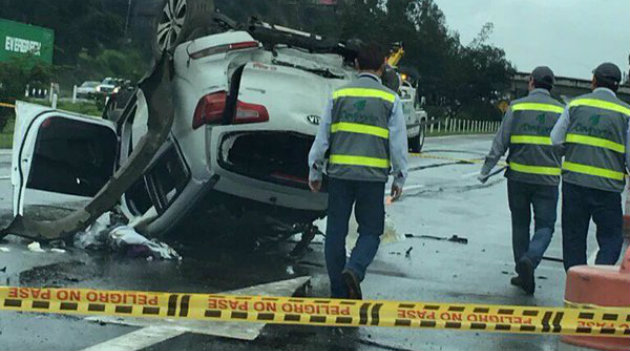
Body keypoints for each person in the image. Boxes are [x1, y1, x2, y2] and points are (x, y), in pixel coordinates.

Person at [308, 43, 408, 299]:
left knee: (336, 232)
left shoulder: (339, 95)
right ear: (383, 66)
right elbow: (397, 143)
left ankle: (338, 290)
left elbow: (323, 137)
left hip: (340, 175)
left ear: (356, 65)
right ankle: (355, 268)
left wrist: (315, 170)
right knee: (372, 231)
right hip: (372, 179)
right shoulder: (390, 99)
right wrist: (399, 176)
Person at [479, 66, 565, 294]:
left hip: (517, 178)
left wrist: (486, 170)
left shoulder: (517, 107)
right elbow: (566, 146)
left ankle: (522, 269)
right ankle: (531, 258)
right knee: (545, 226)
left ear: (531, 82)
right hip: (547, 180)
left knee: (520, 224)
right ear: (551, 86)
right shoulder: (561, 110)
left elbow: (501, 141)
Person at [551, 62, 630, 271]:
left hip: (574, 183)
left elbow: (555, 139)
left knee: (574, 237)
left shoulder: (576, 105)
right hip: (608, 188)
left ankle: (576, 282)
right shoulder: (626, 112)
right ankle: (599, 276)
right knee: (612, 238)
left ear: (593, 81)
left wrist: (572, 152)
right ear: (618, 86)